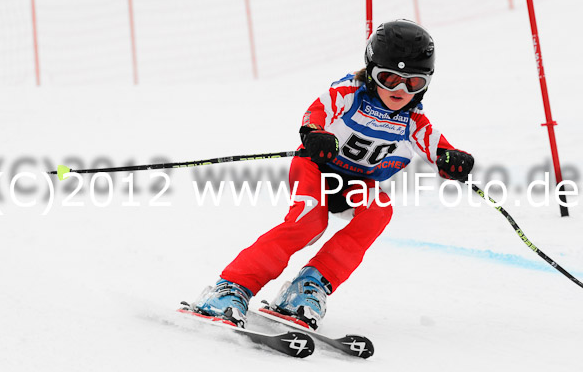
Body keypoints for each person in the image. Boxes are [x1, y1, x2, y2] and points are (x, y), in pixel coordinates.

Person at [191, 19, 474, 329]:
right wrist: (315, 133)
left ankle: (308, 288)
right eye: (389, 78)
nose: (401, 89)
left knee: (378, 210)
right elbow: (317, 113)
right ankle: (231, 287)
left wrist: (452, 160)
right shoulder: (348, 92)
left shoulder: (413, 120)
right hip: (316, 168)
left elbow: (437, 148)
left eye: (414, 83)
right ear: (371, 71)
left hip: (356, 183)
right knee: (309, 222)